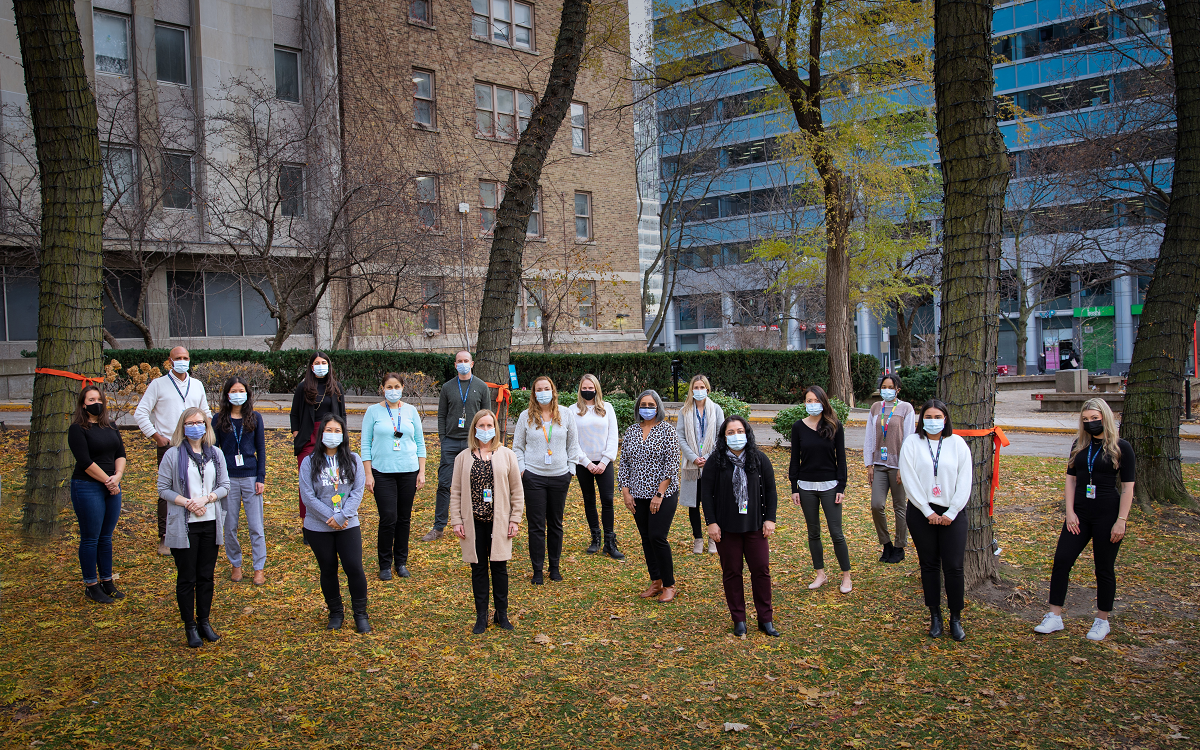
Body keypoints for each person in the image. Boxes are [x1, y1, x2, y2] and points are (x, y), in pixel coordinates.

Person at [1034, 399, 1134, 642]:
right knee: (1062, 561)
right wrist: (1069, 512)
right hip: (1078, 515)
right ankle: (1054, 615)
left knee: (1103, 568)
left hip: (1107, 515)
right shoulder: (1079, 445)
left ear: (1105, 417)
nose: (1090, 422)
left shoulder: (1122, 447)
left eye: (1094, 418)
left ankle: (1102, 620)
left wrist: (1121, 520)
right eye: (1086, 419)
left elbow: (1128, 487)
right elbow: (1070, 479)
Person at [899, 400, 973, 642]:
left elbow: (965, 480)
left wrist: (951, 512)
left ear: (946, 418)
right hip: (922, 512)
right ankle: (935, 616)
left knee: (953, 566)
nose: (933, 421)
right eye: (928, 416)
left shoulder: (958, 444)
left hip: (953, 512)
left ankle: (955, 618)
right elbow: (908, 477)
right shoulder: (912, 442)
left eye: (937, 416)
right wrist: (926, 510)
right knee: (929, 565)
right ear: (921, 420)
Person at [700, 416, 780, 637]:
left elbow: (771, 492)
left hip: (755, 526)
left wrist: (770, 519)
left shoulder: (759, 459)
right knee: (732, 573)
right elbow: (706, 494)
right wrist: (711, 523)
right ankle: (739, 619)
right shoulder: (715, 461)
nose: (736, 436)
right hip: (726, 529)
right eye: (730, 432)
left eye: (740, 431)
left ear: (747, 432)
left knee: (761, 571)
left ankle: (766, 619)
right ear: (724, 437)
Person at [157, 407, 230, 648]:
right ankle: (189, 625)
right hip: (185, 524)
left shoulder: (216, 454)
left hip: (210, 521)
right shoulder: (172, 455)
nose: (195, 426)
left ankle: (204, 622)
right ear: (182, 427)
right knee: (187, 578)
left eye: (199, 422)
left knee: (206, 576)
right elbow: (163, 489)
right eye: (189, 423)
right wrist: (187, 502)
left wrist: (206, 499)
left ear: (206, 426)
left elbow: (224, 486)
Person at [450, 410, 524, 634]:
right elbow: (455, 492)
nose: (485, 430)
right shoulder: (462, 458)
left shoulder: (506, 455)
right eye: (480, 426)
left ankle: (502, 613)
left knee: (499, 568)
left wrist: (515, 519)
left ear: (495, 428)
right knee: (478, 569)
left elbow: (516, 490)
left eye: (489, 425)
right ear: (474, 428)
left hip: (499, 522)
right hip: (474, 522)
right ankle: (481, 616)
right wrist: (456, 520)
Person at [135, 346, 210, 555]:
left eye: (186, 357)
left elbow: (206, 412)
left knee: (196, 486)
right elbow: (140, 413)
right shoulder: (158, 385)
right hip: (170, 446)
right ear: (170, 360)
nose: (182, 360)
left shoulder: (196, 385)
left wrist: (207, 436)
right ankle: (166, 537)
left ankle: (193, 529)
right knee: (168, 491)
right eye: (178, 358)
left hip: (195, 443)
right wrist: (156, 437)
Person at [300, 415, 371, 633]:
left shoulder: (353, 459)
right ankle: (335, 612)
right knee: (328, 569)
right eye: (328, 430)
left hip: (347, 524)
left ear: (344, 434)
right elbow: (308, 496)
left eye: (337, 430)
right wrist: (329, 517)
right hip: (318, 526)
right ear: (321, 434)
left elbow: (358, 491)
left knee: (354, 568)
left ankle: (360, 614)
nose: (332, 435)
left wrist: (341, 517)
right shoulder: (309, 462)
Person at [512, 375, 586, 584]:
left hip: (559, 476)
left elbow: (573, 444)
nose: (543, 392)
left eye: (546, 388)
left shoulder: (566, 414)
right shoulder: (525, 416)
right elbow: (517, 447)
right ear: (534, 393)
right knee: (536, 525)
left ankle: (554, 567)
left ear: (553, 390)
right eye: (538, 389)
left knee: (555, 523)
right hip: (533, 477)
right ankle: (537, 570)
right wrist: (523, 470)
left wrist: (571, 469)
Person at [618, 390, 682, 603]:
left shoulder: (667, 431)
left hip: (663, 494)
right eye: (643, 404)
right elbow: (624, 463)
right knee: (646, 538)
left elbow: (672, 465)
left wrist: (659, 494)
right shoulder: (632, 431)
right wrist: (626, 492)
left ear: (658, 407)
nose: (646, 408)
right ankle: (656, 581)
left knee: (657, 536)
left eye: (651, 404)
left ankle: (670, 584)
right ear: (638, 407)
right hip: (637, 495)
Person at [362, 373, 427, 580]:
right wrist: (368, 474)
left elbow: (420, 442)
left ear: (403, 387)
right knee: (388, 517)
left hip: (408, 470)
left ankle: (401, 562)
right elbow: (365, 444)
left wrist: (422, 471)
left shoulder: (410, 411)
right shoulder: (373, 412)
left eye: (397, 386)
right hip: (382, 472)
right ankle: (384, 563)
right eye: (389, 387)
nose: (393, 390)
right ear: (382, 388)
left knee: (404, 518)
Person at [789, 386, 852, 594]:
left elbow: (841, 459)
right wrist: (794, 487)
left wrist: (841, 485)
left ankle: (846, 576)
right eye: (808, 400)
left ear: (823, 402)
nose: (812, 404)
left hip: (830, 486)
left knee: (836, 533)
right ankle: (820, 574)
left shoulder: (834, 426)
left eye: (815, 400)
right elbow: (794, 459)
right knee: (813, 533)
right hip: (806, 487)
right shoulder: (798, 427)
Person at [68, 385, 127, 604]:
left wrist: (117, 476)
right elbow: (84, 462)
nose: (96, 403)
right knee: (91, 537)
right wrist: (108, 481)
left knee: (106, 537)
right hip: (88, 486)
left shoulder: (110, 425)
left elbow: (120, 453)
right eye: (91, 399)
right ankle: (91, 585)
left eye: (99, 399)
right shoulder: (77, 429)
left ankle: (107, 581)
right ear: (83, 404)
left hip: (112, 485)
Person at [424, 350, 490, 542]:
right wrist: (443, 439)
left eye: (466, 360)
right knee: (444, 484)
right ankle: (438, 527)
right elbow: (441, 415)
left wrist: (483, 443)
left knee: (475, 483)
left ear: (472, 363)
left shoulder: (481, 386)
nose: (462, 363)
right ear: (455, 365)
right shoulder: (447, 387)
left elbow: (487, 415)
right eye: (459, 361)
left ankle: (475, 523)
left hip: (473, 443)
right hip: (451, 442)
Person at [213, 377, 267, 586]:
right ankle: (236, 564)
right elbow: (214, 450)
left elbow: (261, 449)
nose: (238, 394)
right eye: (234, 391)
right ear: (227, 394)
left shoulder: (255, 418)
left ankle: (258, 568)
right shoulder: (218, 419)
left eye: (241, 390)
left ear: (247, 393)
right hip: (228, 480)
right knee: (230, 526)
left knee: (256, 526)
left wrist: (261, 477)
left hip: (251, 477)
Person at [290, 352, 346, 538]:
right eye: (317, 363)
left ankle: (333, 517)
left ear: (329, 365)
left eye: (324, 362)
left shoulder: (336, 387)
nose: (321, 365)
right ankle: (309, 524)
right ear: (311, 366)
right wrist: (297, 433)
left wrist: (341, 436)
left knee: (331, 480)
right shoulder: (303, 388)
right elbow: (294, 414)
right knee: (308, 482)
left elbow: (343, 415)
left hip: (330, 437)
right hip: (309, 437)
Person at [863, 374, 916, 563]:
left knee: (899, 507)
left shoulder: (906, 408)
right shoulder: (876, 407)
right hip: (879, 465)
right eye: (883, 387)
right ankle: (886, 544)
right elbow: (869, 436)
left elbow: (910, 438)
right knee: (877, 505)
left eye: (890, 387)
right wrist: (869, 464)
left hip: (898, 466)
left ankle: (900, 546)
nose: (886, 390)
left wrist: (904, 466)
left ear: (898, 389)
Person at [572, 374, 623, 559]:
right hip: (583, 463)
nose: (587, 391)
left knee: (607, 501)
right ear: (580, 389)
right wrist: (586, 462)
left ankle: (610, 541)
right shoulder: (573, 410)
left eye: (590, 388)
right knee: (589, 500)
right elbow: (573, 440)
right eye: (584, 388)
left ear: (596, 389)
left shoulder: (607, 408)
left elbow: (613, 436)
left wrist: (604, 461)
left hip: (604, 462)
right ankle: (595, 538)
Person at [676, 374, 725, 555]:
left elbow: (722, 435)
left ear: (707, 389)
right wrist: (694, 457)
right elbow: (680, 436)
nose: (698, 391)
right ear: (691, 390)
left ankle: (714, 538)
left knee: (712, 502)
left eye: (701, 387)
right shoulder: (685, 411)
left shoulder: (716, 409)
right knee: (694, 503)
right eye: (695, 388)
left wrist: (708, 457)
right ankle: (698, 538)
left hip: (712, 463)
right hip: (692, 464)